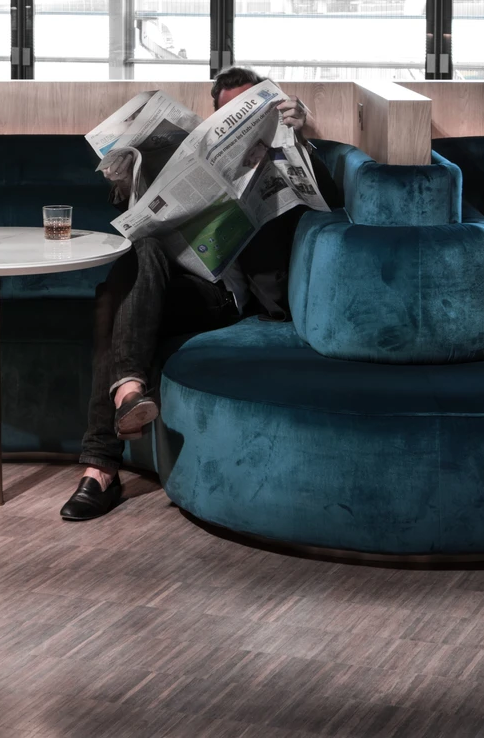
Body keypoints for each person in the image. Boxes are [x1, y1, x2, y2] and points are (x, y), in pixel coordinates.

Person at [59, 67, 338, 522]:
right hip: (176, 282)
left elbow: (330, 203)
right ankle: (128, 393)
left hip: (225, 297)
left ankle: (100, 469)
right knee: (140, 257)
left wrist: (301, 139)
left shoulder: (286, 152)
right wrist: (126, 181)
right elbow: (141, 220)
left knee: (111, 301)